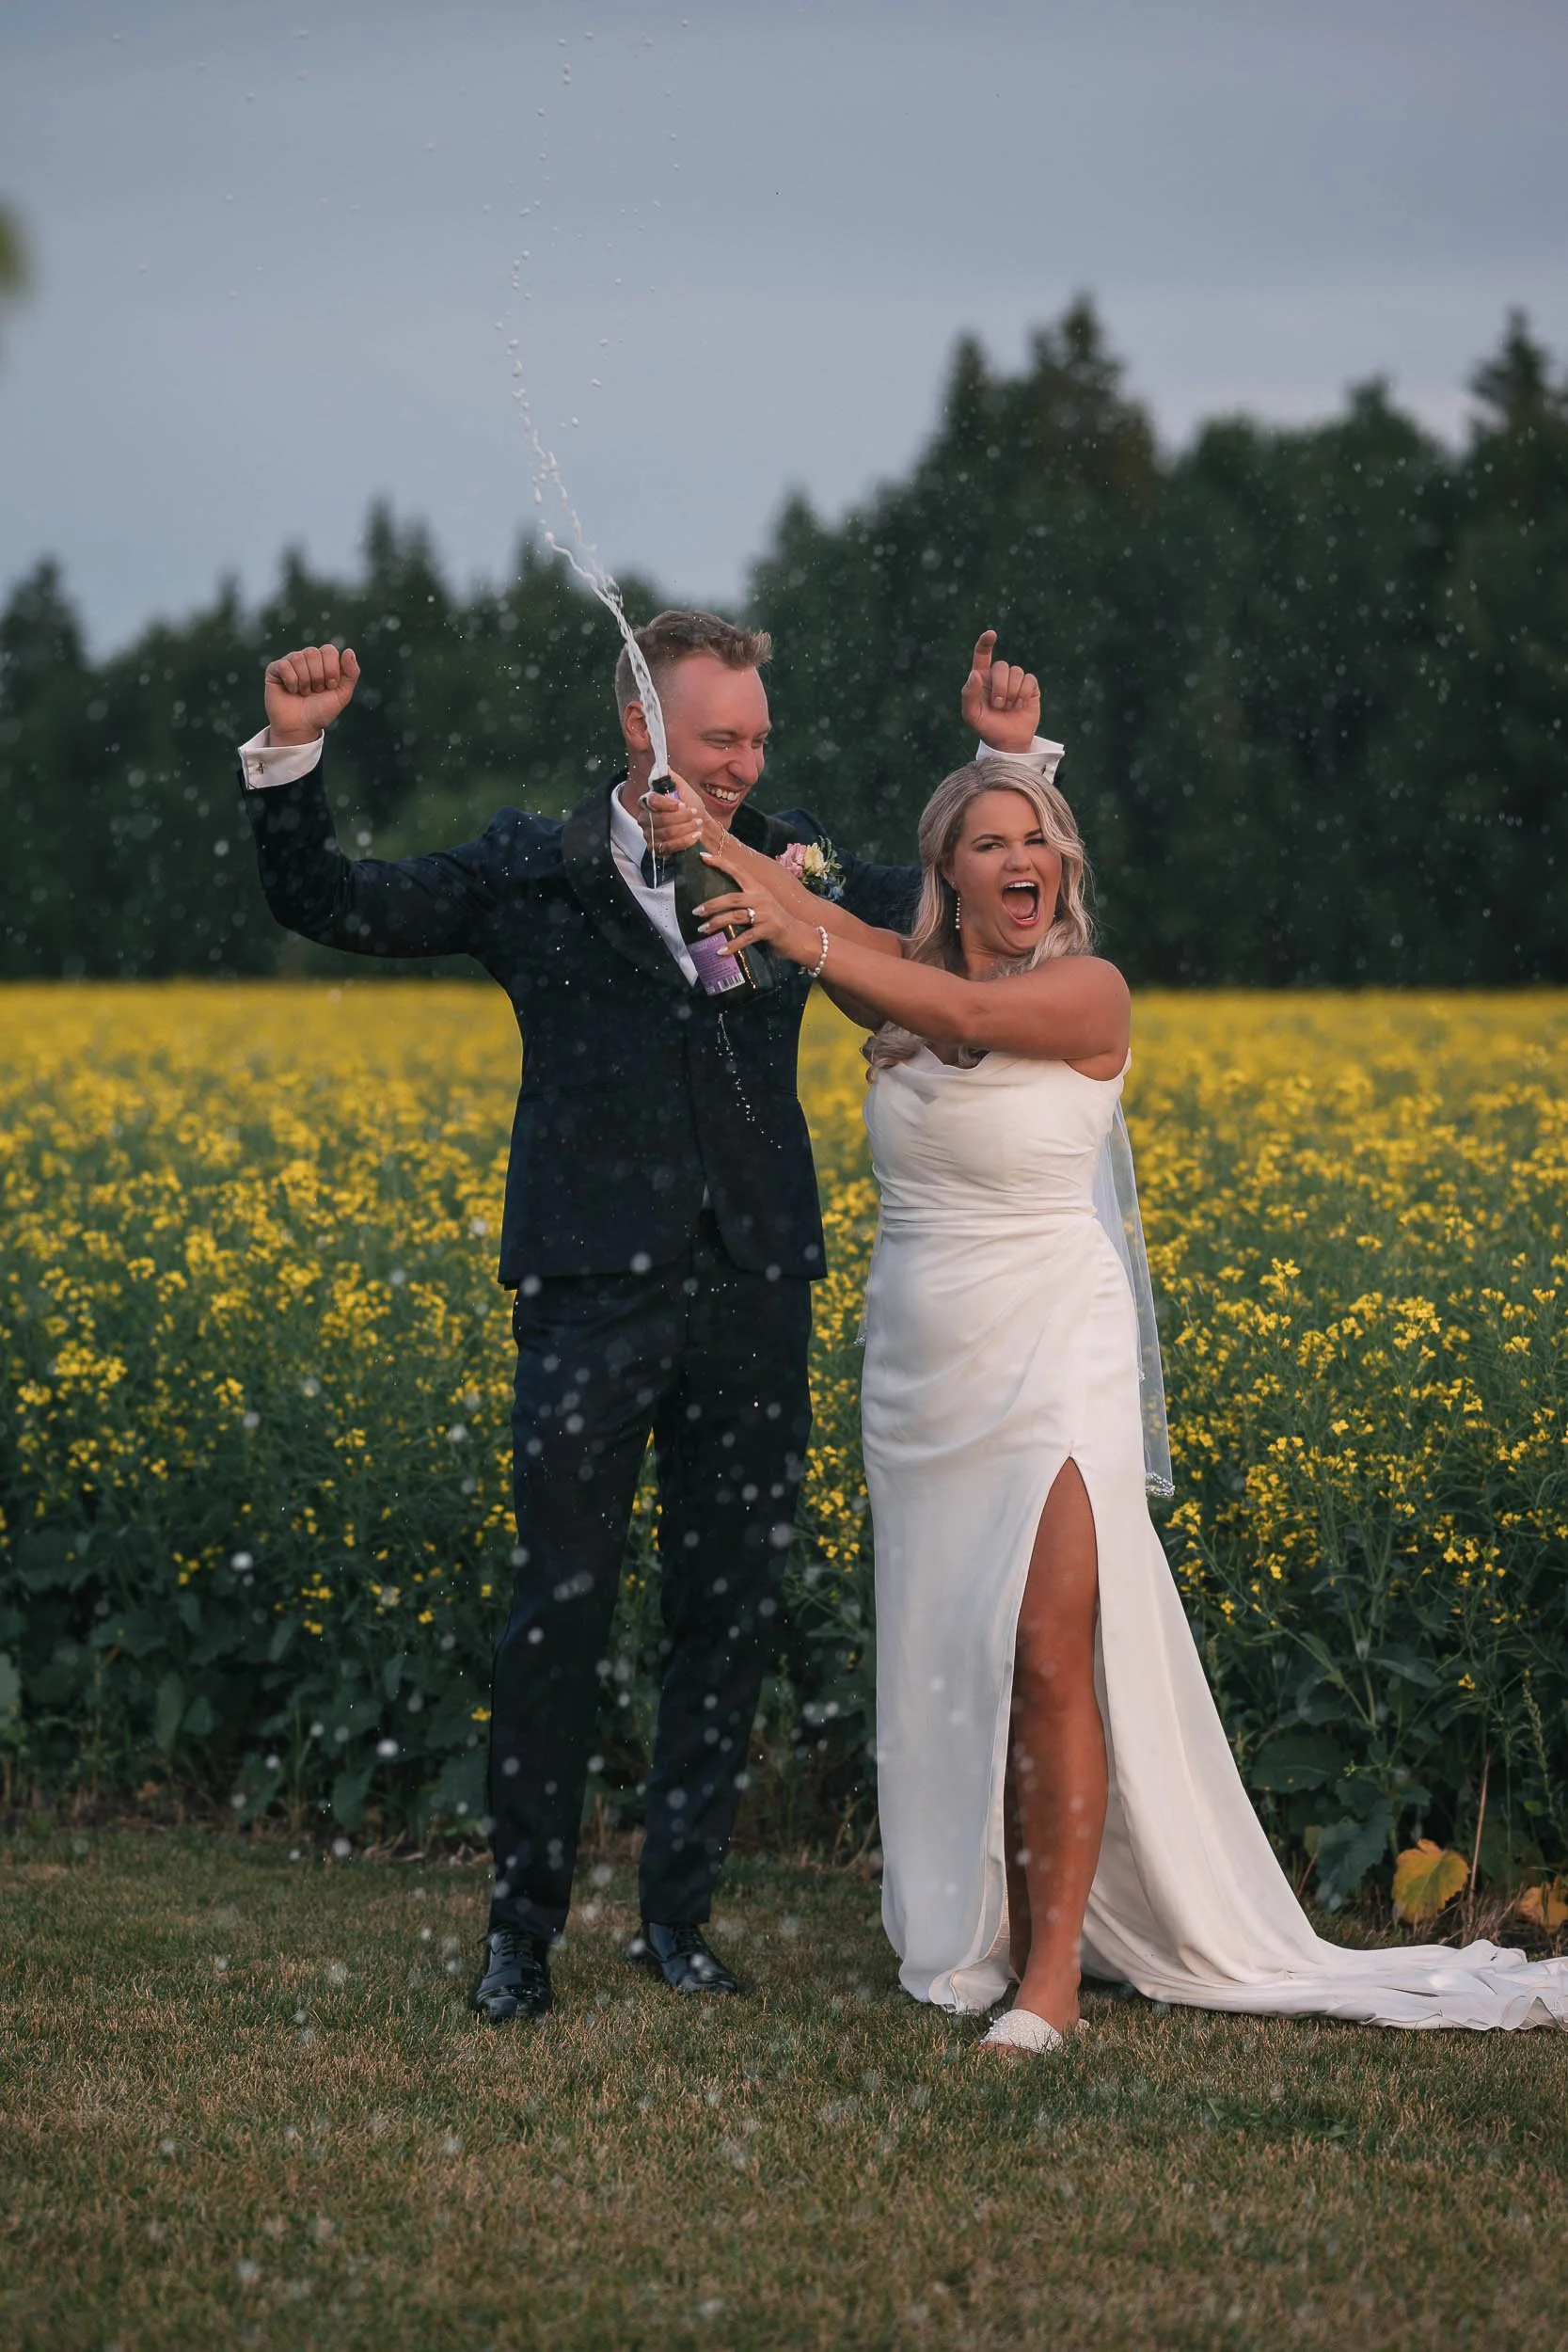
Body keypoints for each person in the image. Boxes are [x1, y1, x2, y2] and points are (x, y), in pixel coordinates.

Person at [234, 612, 1053, 2023]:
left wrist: (1008, 764)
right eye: (719, 737)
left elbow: (956, 926)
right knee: (554, 1614)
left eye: (756, 739)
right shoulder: (529, 866)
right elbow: (334, 902)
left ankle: (677, 1923)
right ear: (640, 724)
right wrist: (294, 750)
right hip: (585, 1295)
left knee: (724, 1614)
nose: (743, 765)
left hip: (755, 1287)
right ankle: (520, 1938)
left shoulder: (790, 855)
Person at [681, 746, 1568, 2046]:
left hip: (1057, 1346)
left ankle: (1051, 1981)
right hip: (921, 1371)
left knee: (1050, 1650)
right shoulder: (902, 976)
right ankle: (994, 1927)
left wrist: (804, 938)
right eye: (989, 842)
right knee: (962, 1658)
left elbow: (943, 1005)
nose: (1020, 860)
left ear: (1064, 867)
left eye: (1036, 840)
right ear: (947, 876)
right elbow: (815, 920)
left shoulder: (1086, 992)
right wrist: (695, 824)